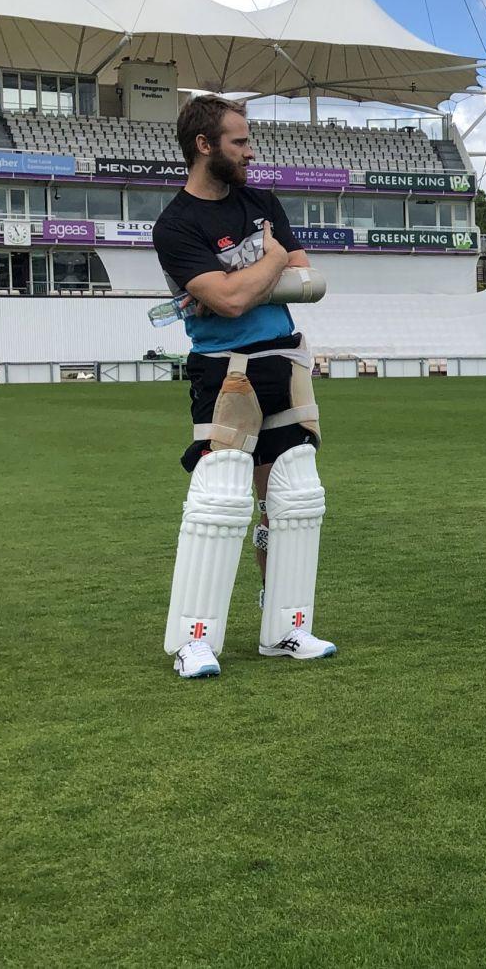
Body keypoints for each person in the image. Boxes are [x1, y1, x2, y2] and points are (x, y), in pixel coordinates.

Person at [153, 95, 335, 678]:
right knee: (222, 494)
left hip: (283, 358)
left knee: (294, 494)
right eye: (239, 141)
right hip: (223, 367)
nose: (250, 150)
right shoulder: (176, 224)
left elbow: (310, 283)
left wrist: (236, 282)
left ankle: (286, 627)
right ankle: (193, 639)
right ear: (205, 146)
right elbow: (230, 303)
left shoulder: (262, 201)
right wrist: (269, 262)